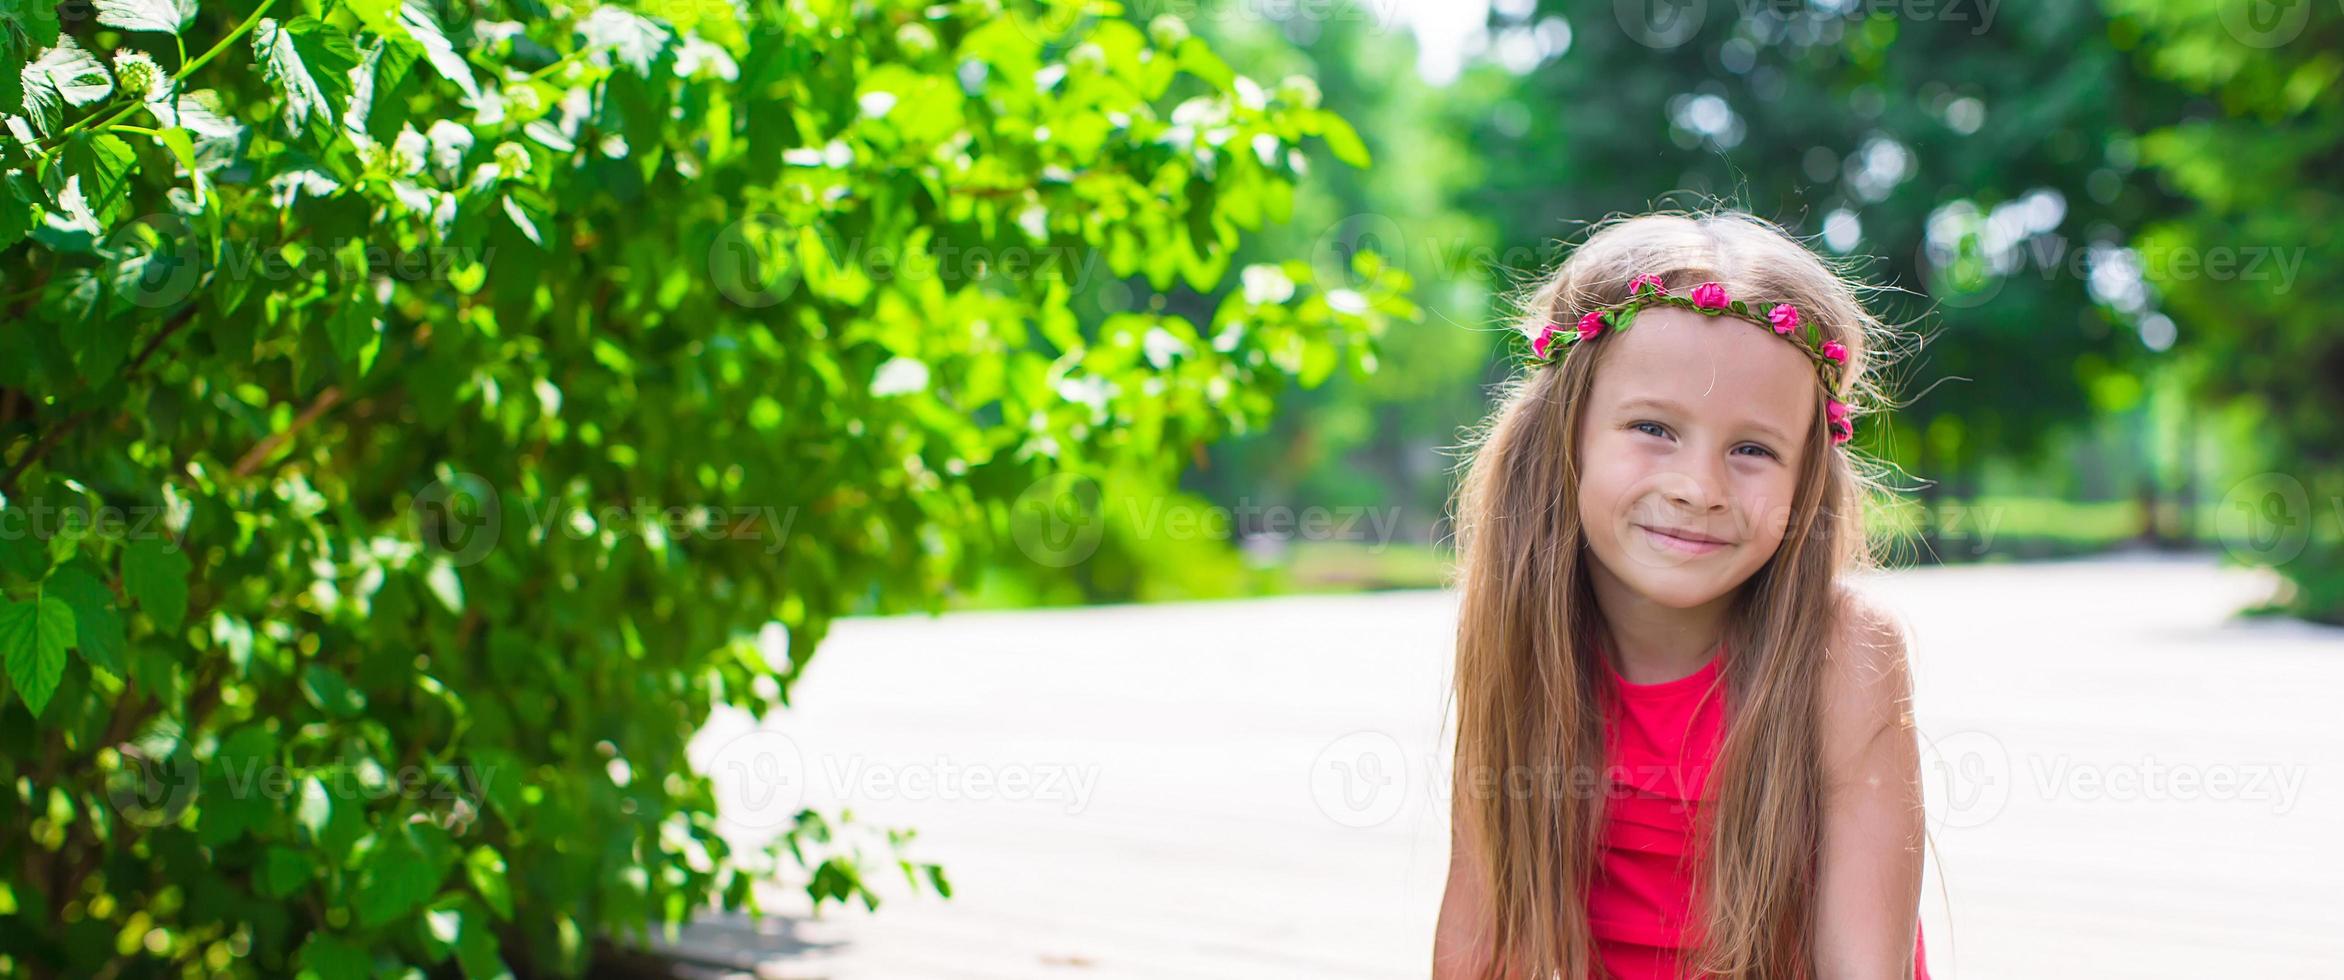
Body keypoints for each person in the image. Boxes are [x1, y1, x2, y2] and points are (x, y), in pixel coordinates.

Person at [1432, 211, 1930, 979]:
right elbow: (1481, 938)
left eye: (1753, 449)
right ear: (1564, 437)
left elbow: (1865, 967)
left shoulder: (1845, 653)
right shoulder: (1520, 632)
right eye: (1654, 429)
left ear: (1807, 478)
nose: (1699, 488)